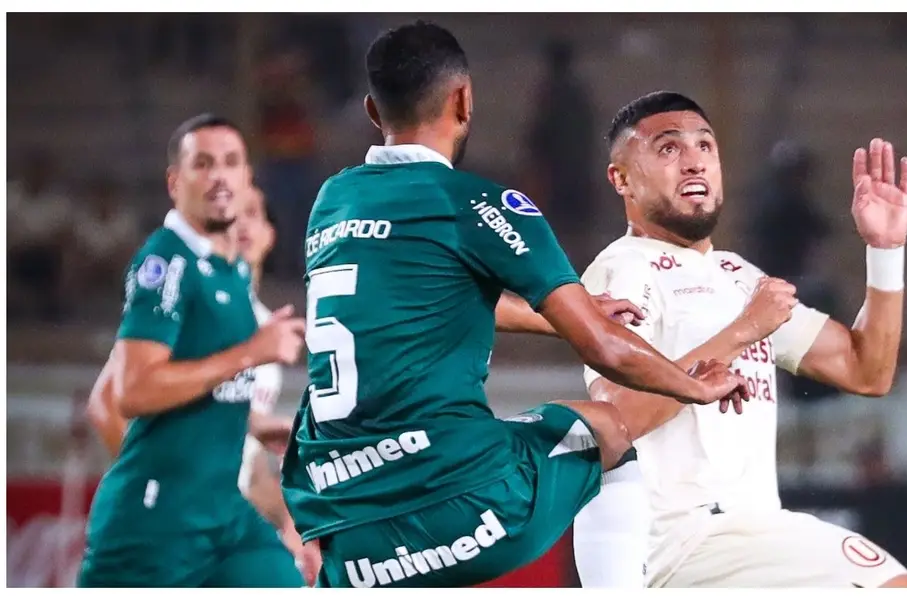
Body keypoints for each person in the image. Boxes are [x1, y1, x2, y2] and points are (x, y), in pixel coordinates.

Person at [278, 22, 748, 589]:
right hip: (456, 499)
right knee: (606, 426)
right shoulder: (480, 203)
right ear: (463, 99)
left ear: (373, 112)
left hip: (342, 515)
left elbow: (433, 297)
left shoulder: (333, 199)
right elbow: (601, 349)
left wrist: (562, 313)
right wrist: (693, 385)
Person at [574, 91, 907, 588]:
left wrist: (885, 252)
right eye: (668, 149)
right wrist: (743, 331)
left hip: (748, 534)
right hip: (686, 538)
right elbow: (616, 421)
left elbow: (867, 371)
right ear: (621, 178)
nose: (693, 161)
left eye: (705, 146)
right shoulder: (624, 267)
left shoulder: (739, 276)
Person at [76, 114, 308, 587]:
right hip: (159, 521)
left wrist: (251, 425)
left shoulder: (232, 276)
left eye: (231, 163)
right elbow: (128, 393)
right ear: (174, 182)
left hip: (222, 511)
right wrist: (249, 354)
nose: (219, 175)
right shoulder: (166, 263)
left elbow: (209, 389)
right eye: (203, 164)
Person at [231, 185, 323, 585]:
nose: (242, 224)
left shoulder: (267, 327)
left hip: (225, 518)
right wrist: (254, 422)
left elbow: (249, 468)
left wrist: (293, 525)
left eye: (253, 213)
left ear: (271, 234)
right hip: (181, 515)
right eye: (233, 214)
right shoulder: (192, 307)